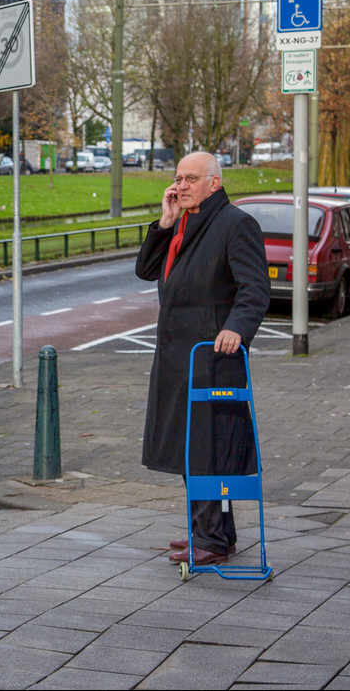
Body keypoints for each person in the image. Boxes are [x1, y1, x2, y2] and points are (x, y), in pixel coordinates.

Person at [135, 151, 271, 566]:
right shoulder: (184, 223)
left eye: (191, 178)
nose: (181, 185)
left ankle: (211, 539)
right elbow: (146, 270)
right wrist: (165, 223)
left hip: (211, 355)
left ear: (215, 183)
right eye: (178, 178)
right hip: (178, 357)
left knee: (209, 449)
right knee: (187, 446)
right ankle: (214, 534)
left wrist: (236, 328)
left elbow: (255, 290)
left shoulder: (236, 224)